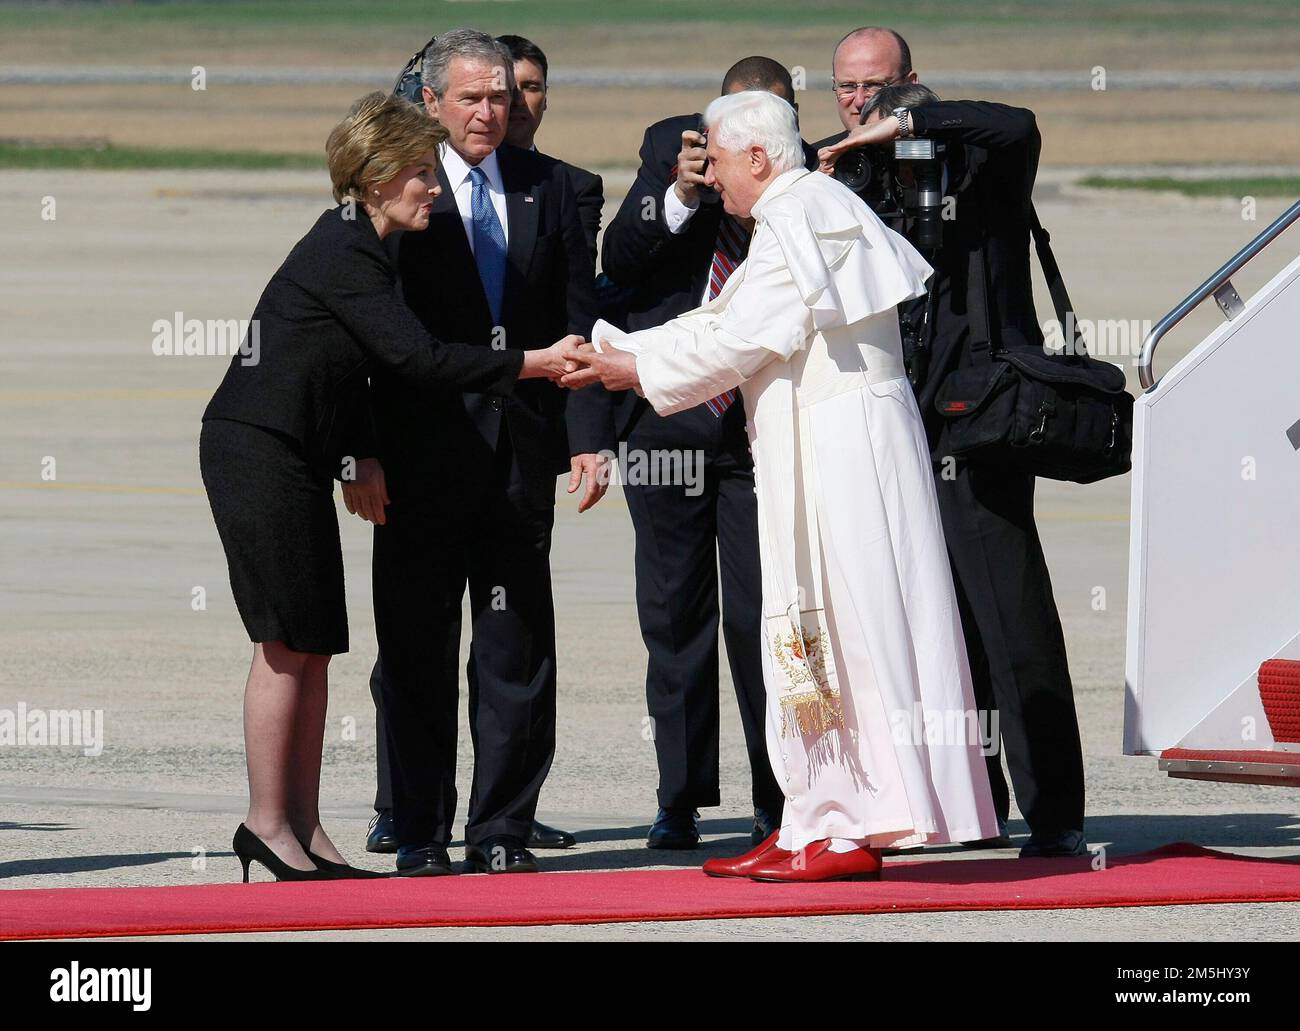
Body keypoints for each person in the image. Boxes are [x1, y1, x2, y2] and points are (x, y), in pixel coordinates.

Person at [563, 89, 998, 882]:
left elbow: (741, 336)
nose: (713, 179)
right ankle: (809, 814)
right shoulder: (789, 216)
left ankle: (856, 818)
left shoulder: (806, 214)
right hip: (809, 449)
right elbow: (722, 317)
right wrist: (620, 347)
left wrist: (631, 370)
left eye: (721, 163)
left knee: (846, 629)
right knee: (798, 630)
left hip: (847, 454)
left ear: (757, 158)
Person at [199, 91, 576, 883]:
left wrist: (360, 453)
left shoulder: (365, 245)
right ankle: (266, 822)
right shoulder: (347, 251)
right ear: (374, 179)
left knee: (315, 644)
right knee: (283, 643)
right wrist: (530, 363)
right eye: (417, 174)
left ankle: (304, 828)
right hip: (260, 451)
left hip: (301, 453)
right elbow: (418, 360)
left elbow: (361, 369)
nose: (432, 188)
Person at [816, 26, 1088, 859]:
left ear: (912, 83)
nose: (860, 101)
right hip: (897, 428)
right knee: (936, 626)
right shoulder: (849, 176)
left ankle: (1056, 814)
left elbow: (1019, 123)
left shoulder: (980, 165)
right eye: (848, 90)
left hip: (981, 424)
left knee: (1009, 617)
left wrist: (906, 125)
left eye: (878, 86)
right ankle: (974, 800)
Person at [347, 29, 596, 877]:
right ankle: (417, 827)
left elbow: (578, 321)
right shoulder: (396, 193)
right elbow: (358, 341)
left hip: (519, 460)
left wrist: (588, 441)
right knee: (415, 650)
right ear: (431, 102)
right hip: (416, 464)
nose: (490, 112)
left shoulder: (560, 190)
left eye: (500, 96)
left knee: (513, 650)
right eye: (471, 98)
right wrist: (359, 453)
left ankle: (501, 827)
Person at [569, 59, 818, 852]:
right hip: (666, 426)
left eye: (769, 121)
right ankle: (678, 794)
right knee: (673, 619)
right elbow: (622, 262)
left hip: (756, 431)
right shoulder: (673, 150)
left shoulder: (803, 173)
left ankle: (781, 791)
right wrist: (681, 193)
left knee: (764, 618)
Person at [497, 34, 604, 263]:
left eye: (531, 87)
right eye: (506, 88)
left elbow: (576, 286)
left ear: (546, 98)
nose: (518, 100)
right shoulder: (439, 178)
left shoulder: (575, 187)